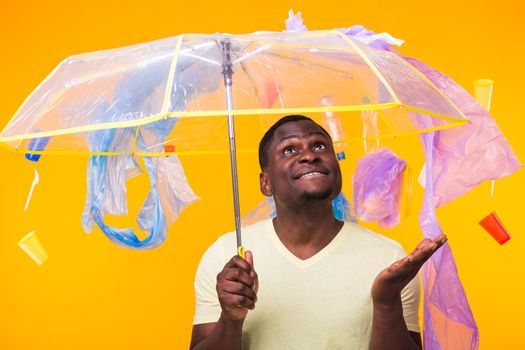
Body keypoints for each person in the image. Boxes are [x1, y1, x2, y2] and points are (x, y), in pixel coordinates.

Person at [190, 115, 447, 349]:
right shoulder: (225, 258)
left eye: (319, 146)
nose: (309, 156)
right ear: (266, 182)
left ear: (337, 169)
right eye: (289, 149)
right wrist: (230, 319)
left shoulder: (389, 259)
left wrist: (387, 301)